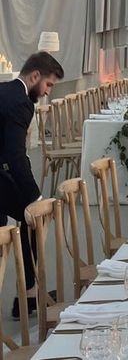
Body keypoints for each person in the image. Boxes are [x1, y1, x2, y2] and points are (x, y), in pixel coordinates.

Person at [0, 51, 64, 318]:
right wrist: (35, 198)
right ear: (35, 75)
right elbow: (15, 157)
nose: (48, 92)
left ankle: (28, 293)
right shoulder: (21, 104)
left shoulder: (6, 91)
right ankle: (27, 296)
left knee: (27, 218)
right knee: (35, 216)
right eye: (48, 84)